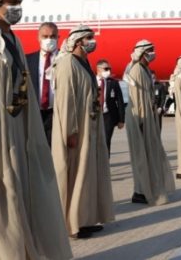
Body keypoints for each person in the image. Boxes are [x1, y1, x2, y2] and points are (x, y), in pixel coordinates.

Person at [0, 0, 72, 258]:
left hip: (17, 126)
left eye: (19, 2)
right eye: (11, 2)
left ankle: (25, 249)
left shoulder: (13, 39)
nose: (16, 8)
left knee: (23, 189)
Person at [52, 24, 114, 239]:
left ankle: (85, 219)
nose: (92, 41)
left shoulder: (83, 62)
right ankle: (73, 224)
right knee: (75, 176)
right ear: (78, 41)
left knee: (87, 175)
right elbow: (66, 100)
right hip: (76, 129)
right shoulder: (68, 63)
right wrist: (71, 131)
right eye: (88, 38)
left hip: (89, 127)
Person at [123, 40, 175, 205]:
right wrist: (142, 121)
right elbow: (137, 98)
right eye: (150, 50)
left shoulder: (144, 69)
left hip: (147, 116)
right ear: (142, 53)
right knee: (141, 156)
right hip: (140, 118)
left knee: (149, 155)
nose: (153, 53)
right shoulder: (137, 70)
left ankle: (146, 189)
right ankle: (140, 192)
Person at [26, 21, 60, 146]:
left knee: (54, 150)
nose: (49, 40)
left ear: (58, 38)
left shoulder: (66, 59)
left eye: (53, 36)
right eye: (45, 36)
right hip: (35, 113)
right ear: (38, 38)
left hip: (56, 113)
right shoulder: (28, 60)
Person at [96, 59, 126, 155]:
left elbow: (120, 101)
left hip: (108, 116)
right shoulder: (91, 80)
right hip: (94, 115)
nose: (108, 71)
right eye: (106, 69)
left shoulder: (113, 83)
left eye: (110, 69)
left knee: (106, 140)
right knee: (94, 140)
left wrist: (121, 120)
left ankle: (106, 161)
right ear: (98, 69)